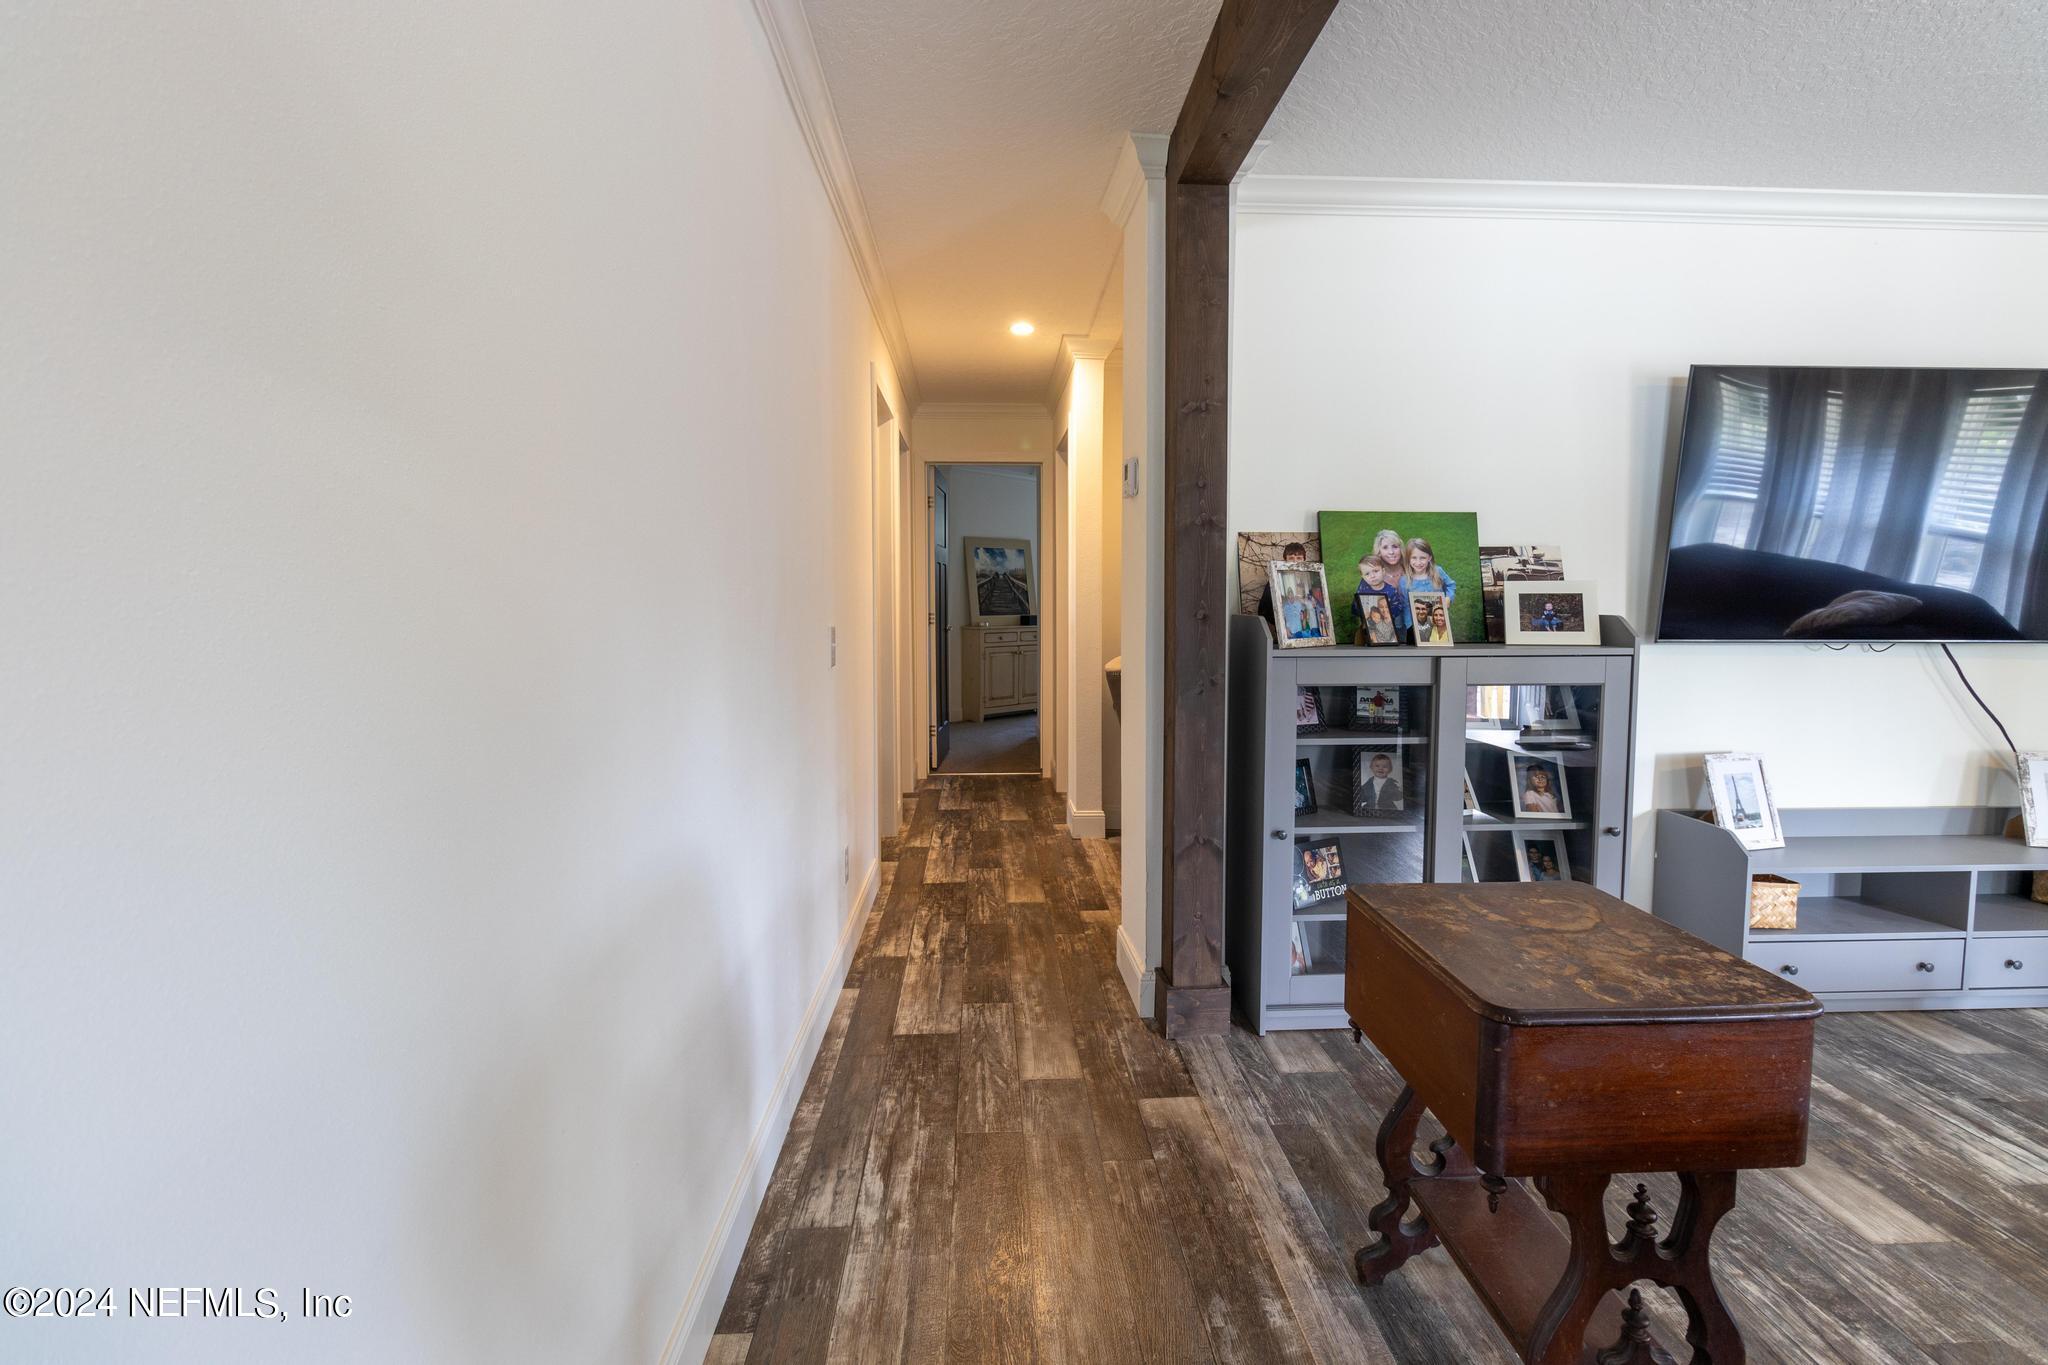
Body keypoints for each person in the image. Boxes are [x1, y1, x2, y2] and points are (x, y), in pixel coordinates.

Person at [1256, 542, 1308, 635]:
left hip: (1307, 630)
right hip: (1287, 633)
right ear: (1285, 560)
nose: (1295, 562)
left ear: (1304, 560)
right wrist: (1282, 625)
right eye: (1291, 558)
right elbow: (1263, 610)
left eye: (1299, 558)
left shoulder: (1310, 579)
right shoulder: (1275, 581)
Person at [1401, 539, 1457, 618]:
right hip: (1418, 620)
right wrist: (1409, 623)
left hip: (1439, 617)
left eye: (1422, 558)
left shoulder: (1438, 571)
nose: (1418, 562)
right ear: (1408, 559)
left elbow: (1451, 585)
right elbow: (1406, 605)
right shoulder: (1404, 581)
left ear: (1429, 558)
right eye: (1414, 558)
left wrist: (1448, 598)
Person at [1372, 530, 1413, 631]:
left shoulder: (1411, 567)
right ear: (1379, 552)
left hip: (1413, 620)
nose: (1391, 552)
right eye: (1385, 547)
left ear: (1401, 549)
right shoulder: (1374, 575)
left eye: (1395, 546)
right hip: (1388, 626)